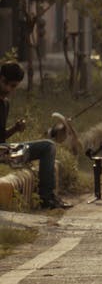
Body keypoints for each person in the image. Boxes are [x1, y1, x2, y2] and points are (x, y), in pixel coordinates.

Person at [0, 61, 71, 209]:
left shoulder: (5, 103)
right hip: (2, 151)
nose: (7, 88)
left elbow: (1, 137)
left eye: (12, 86)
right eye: (5, 83)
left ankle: (48, 197)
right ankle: (46, 198)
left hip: (3, 150)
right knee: (47, 146)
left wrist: (15, 128)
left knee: (47, 146)